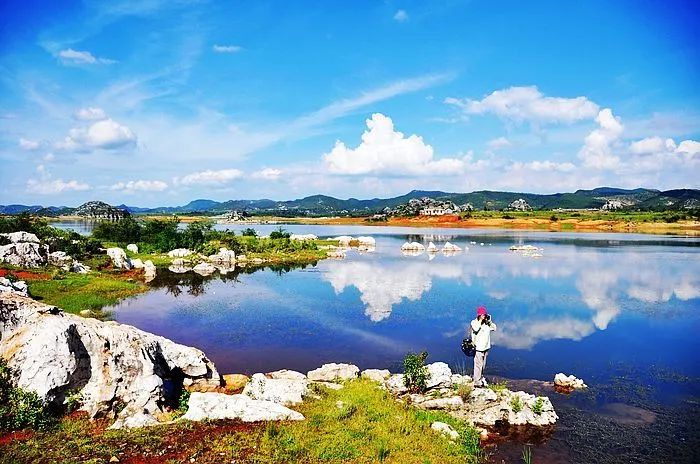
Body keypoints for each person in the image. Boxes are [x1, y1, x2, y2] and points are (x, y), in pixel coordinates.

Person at [470, 306, 497, 387]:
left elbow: (494, 328)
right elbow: (475, 328)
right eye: (482, 315)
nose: (484, 316)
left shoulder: (487, 324)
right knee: (478, 365)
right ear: (479, 315)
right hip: (478, 348)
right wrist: (480, 321)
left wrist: (490, 321)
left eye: (485, 315)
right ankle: (476, 382)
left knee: (483, 365)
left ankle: (480, 378)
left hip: (486, 347)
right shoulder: (474, 322)